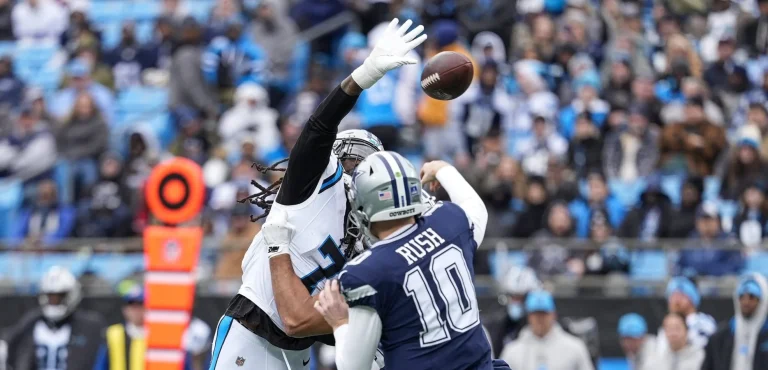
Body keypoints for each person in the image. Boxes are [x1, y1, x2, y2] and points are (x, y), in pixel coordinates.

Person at [208, 18, 427, 370]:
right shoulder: (316, 183)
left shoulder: (375, 235)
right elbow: (319, 128)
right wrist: (364, 75)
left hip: (299, 351)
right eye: (351, 160)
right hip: (252, 333)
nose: (358, 170)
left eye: (366, 164)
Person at [309, 155, 493, 370]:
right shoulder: (450, 220)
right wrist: (443, 169)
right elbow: (476, 207)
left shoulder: (366, 271)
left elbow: (353, 366)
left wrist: (340, 323)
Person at [2, 266, 104, 370]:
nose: (54, 302)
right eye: (51, 297)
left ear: (72, 295)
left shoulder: (88, 326)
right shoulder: (31, 322)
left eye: (59, 297)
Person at [93, 284, 194, 370]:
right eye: (132, 305)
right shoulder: (114, 334)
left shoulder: (164, 335)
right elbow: (101, 366)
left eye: (140, 305)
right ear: (124, 309)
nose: (136, 311)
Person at [499, 290, 594, 370]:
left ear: (553, 315)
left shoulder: (574, 348)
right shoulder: (512, 351)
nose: (540, 319)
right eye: (536, 314)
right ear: (529, 316)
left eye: (544, 314)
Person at [702, 273, 768, 370]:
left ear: (762, 300)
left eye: (752, 297)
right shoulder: (721, 336)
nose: (746, 302)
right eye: (742, 297)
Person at [487, 266, 543, 357]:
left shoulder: (538, 323)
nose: (516, 302)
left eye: (520, 298)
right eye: (513, 297)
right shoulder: (498, 323)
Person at [655, 277, 717, 353]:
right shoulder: (666, 325)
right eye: (672, 296)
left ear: (692, 298)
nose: (675, 301)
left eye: (680, 296)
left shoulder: (704, 323)